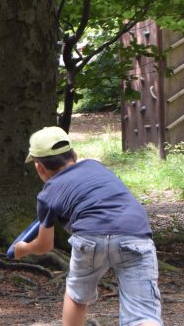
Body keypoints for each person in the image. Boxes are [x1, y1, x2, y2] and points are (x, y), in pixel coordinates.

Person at [12, 126, 162, 326]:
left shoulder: (47, 194)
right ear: (74, 154)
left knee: (77, 294)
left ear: (39, 167)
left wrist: (24, 249)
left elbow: (45, 245)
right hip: (134, 232)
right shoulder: (95, 166)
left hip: (90, 237)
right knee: (142, 314)